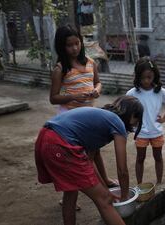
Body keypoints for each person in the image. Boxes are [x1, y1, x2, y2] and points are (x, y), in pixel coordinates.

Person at [34, 96, 143, 225]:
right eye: (137, 119)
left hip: (45, 138)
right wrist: (124, 197)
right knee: (105, 200)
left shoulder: (100, 118)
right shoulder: (117, 123)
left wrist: (105, 187)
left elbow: (89, 161)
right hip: (60, 145)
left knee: (71, 191)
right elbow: (122, 170)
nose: (136, 124)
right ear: (132, 115)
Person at [49, 25, 118, 210]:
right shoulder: (60, 68)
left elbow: (98, 82)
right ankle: (68, 197)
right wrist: (73, 96)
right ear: (61, 47)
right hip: (69, 120)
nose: (74, 48)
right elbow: (53, 98)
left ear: (81, 42)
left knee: (96, 148)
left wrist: (96, 91)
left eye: (77, 43)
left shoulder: (90, 62)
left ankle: (104, 180)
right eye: (69, 45)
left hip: (89, 115)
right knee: (76, 159)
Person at [126, 57, 165, 185]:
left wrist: (164, 118)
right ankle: (139, 184)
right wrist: (131, 121)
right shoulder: (133, 93)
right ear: (137, 77)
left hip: (156, 132)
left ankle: (159, 183)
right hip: (141, 133)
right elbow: (125, 108)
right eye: (142, 78)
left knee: (158, 158)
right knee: (140, 158)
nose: (146, 81)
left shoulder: (160, 91)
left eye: (149, 77)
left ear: (155, 76)